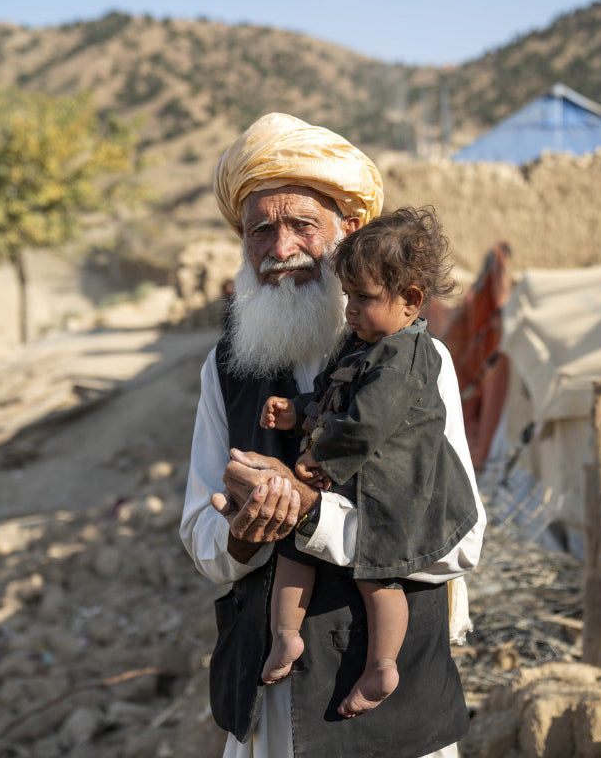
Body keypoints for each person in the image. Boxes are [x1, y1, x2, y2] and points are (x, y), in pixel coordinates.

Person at [178, 112, 486, 758]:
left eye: (301, 225)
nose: (281, 247)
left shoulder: (414, 362)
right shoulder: (226, 368)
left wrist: (313, 515)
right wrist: (241, 530)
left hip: (390, 721)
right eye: (260, 229)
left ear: (348, 233)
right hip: (271, 717)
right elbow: (201, 543)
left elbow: (459, 542)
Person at [258, 207, 478, 720]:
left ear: (411, 302)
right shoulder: (362, 344)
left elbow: (366, 422)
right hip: (355, 489)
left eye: (364, 298)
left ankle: (383, 667)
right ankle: (286, 637)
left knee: (378, 577)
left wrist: (320, 458)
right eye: (348, 296)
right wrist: (299, 415)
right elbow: (337, 400)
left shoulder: (408, 357)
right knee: (295, 550)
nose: (351, 309)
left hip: (394, 494)